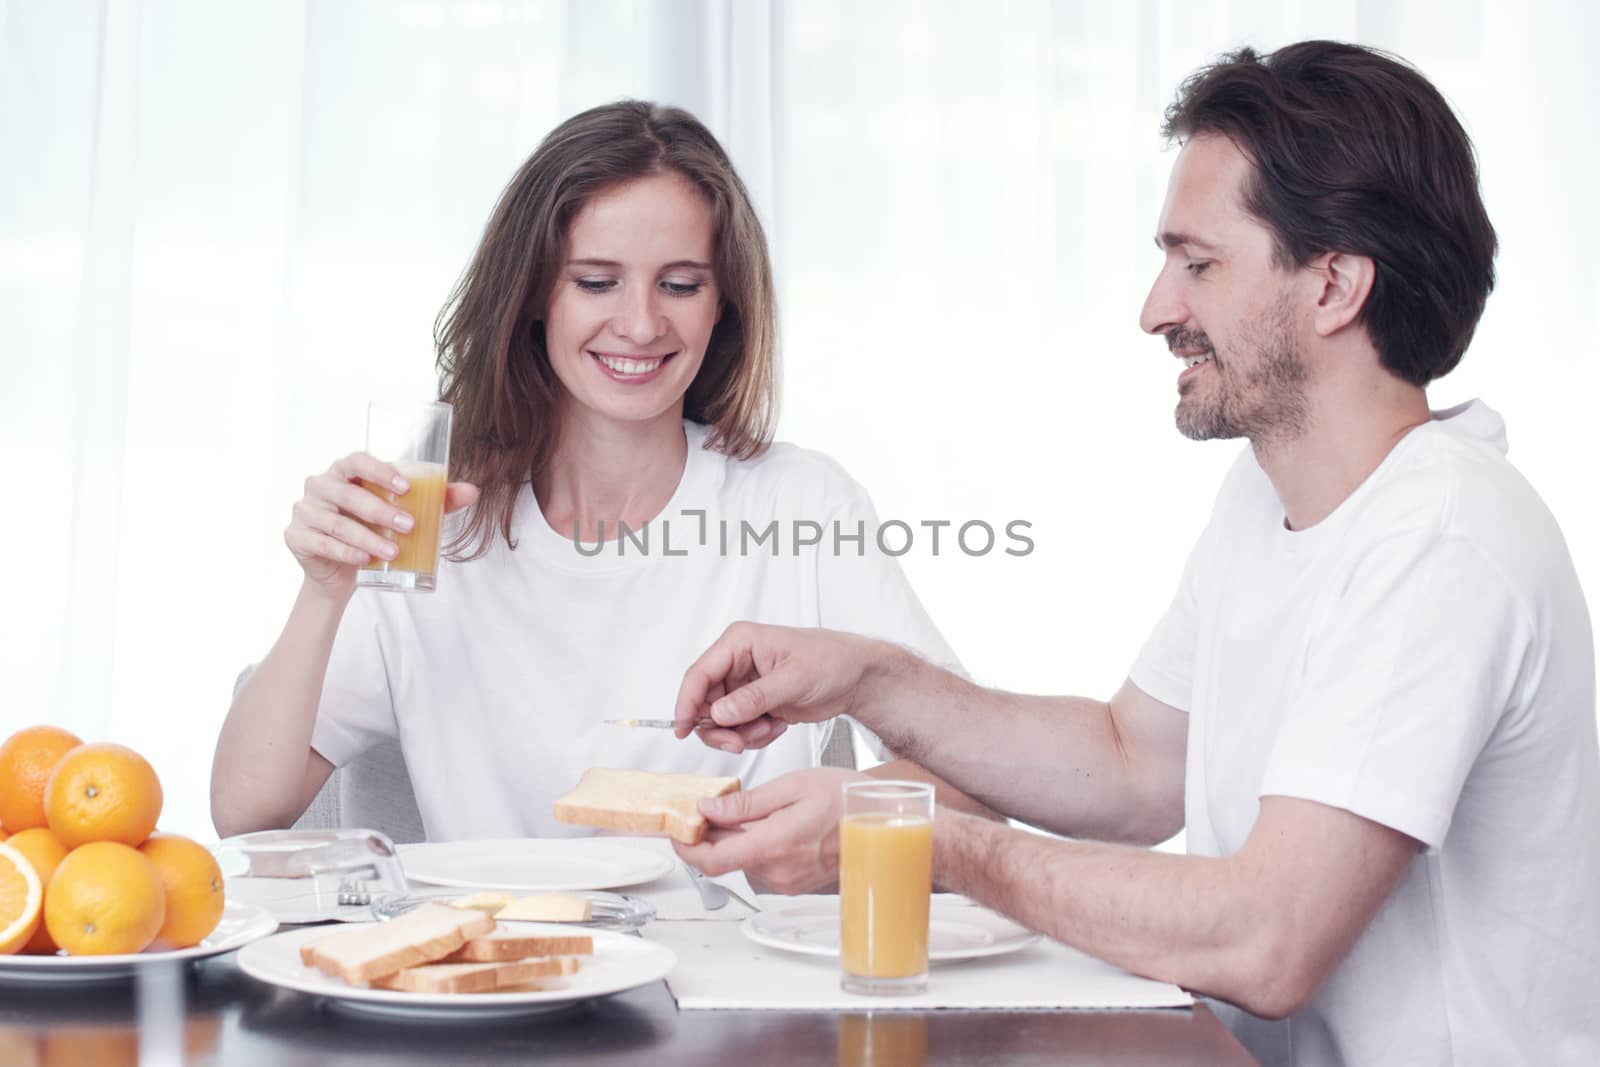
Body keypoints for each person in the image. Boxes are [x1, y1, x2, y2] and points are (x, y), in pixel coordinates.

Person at [671, 41, 1600, 1067]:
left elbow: (1265, 937)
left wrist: (926, 841)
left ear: (1333, 284)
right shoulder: (1271, 499)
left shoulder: (1440, 539)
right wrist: (867, 676)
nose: (1155, 308)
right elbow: (1132, 764)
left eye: (1197, 264)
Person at [211, 100, 987, 847]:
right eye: (596, 281)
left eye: (680, 284)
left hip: (738, 972)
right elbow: (245, 808)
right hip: (505, 970)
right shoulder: (430, 524)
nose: (643, 323)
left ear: (723, 305)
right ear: (533, 296)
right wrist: (322, 590)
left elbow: (978, 785)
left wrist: (837, 818)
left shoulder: (803, 502)